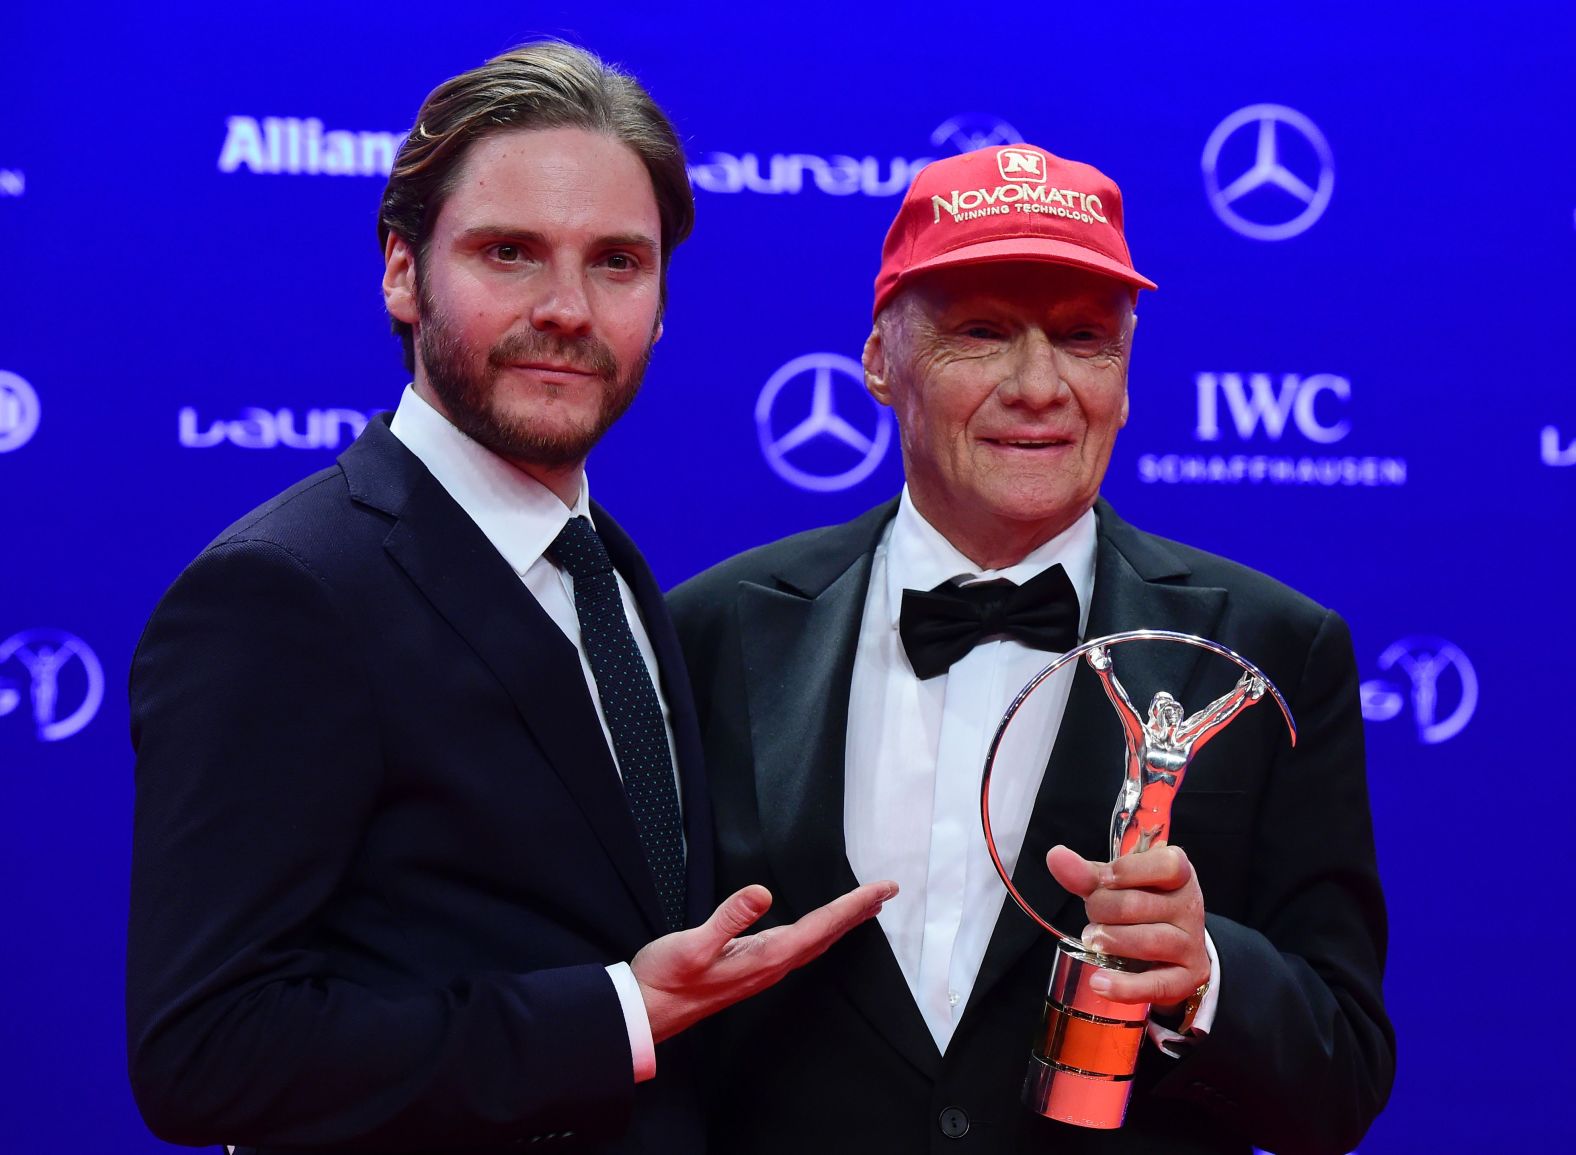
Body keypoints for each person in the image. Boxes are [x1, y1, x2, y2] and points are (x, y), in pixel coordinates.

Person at [126, 41, 891, 1155]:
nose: (569, 309)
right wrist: (620, 1012)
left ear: (664, 303)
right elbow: (207, 1054)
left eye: (617, 262)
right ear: (402, 270)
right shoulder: (283, 592)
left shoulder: (612, 569)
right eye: (510, 253)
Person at [669, 143, 1393, 1154]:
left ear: (1128, 376)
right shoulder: (709, 631)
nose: (1039, 385)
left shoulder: (1270, 647)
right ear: (878, 360)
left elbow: (1340, 1077)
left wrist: (1204, 977)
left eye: (1084, 339)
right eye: (981, 334)